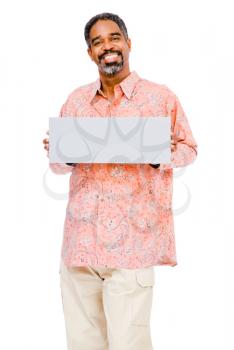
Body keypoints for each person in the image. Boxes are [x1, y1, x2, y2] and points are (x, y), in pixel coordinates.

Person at [43, 12, 197, 350]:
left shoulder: (159, 98)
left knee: (129, 343)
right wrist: (60, 150)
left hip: (132, 248)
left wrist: (162, 153)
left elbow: (189, 149)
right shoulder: (76, 101)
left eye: (113, 38)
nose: (107, 46)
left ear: (128, 44)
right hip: (79, 248)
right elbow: (57, 166)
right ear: (90, 53)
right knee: (82, 344)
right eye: (97, 42)